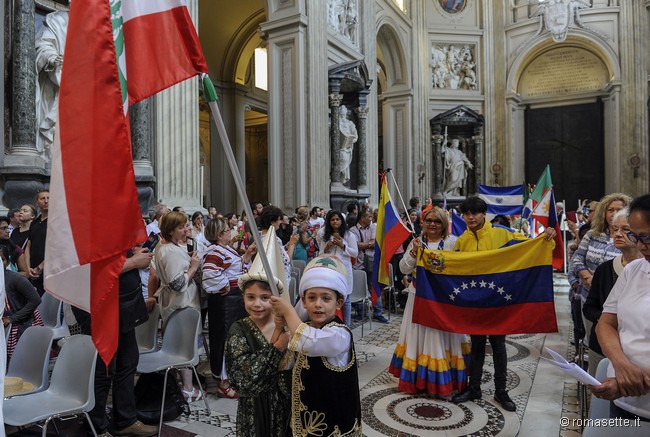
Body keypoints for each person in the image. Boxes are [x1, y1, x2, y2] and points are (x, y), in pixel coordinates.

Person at [451, 196, 556, 412]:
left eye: (475, 213)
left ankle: (501, 391)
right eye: (466, 214)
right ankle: (474, 388)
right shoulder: (462, 240)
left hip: (498, 301)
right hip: (475, 302)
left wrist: (546, 238)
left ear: (484, 214)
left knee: (498, 346)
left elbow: (530, 246)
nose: (471, 217)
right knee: (477, 346)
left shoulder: (503, 233)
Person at [270, 255, 362, 436]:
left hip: (332, 425)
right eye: (311, 298)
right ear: (304, 301)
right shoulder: (305, 328)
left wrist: (288, 311)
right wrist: (280, 326)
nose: (318, 304)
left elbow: (310, 342)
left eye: (326, 298)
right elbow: (279, 355)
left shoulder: (340, 335)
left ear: (339, 303)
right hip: (303, 421)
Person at [72, 247, 158, 437]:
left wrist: (130, 253)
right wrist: (133, 262)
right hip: (100, 307)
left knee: (127, 362)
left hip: (121, 303)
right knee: (103, 369)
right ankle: (96, 427)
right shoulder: (87, 233)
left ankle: (125, 420)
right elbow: (94, 270)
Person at [390, 206, 469, 396]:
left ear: (444, 224)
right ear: (423, 223)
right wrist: (413, 254)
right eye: (429, 221)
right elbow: (403, 269)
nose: (432, 224)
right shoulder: (416, 242)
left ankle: (442, 381)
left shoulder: (452, 242)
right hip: (418, 297)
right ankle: (418, 380)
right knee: (418, 338)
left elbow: (461, 268)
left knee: (441, 338)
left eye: (437, 221)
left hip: (443, 300)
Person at [590, 193, 650, 421]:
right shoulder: (634, 270)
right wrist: (621, 364)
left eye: (646, 238)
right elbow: (606, 324)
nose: (641, 246)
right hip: (623, 402)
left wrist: (629, 382)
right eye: (636, 236)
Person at [224, 263, 292, 436]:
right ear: (243, 297)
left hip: (284, 406)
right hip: (255, 409)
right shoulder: (239, 330)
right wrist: (277, 347)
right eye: (251, 297)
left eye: (265, 297)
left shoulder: (287, 328)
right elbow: (243, 378)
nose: (257, 304)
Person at [202, 217, 257, 399]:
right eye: (227, 230)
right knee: (225, 338)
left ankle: (230, 377)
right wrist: (224, 285)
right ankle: (223, 382)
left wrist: (247, 255)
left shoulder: (225, 249)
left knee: (232, 337)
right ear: (219, 235)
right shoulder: (214, 250)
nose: (230, 232)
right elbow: (210, 272)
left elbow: (235, 267)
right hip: (225, 302)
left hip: (233, 300)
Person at [569, 193, 631, 352]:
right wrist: (588, 278)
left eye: (619, 209)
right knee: (593, 339)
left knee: (616, 342)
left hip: (617, 297)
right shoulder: (592, 234)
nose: (614, 213)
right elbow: (577, 259)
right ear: (604, 212)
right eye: (610, 209)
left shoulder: (631, 239)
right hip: (590, 295)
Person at [583, 208, 642, 377]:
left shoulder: (644, 270)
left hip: (637, 349)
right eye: (615, 229)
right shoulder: (604, 269)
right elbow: (589, 307)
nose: (618, 234)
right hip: (601, 346)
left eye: (625, 229)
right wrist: (607, 320)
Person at [152, 211, 202, 401]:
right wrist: (193, 267)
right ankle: (188, 389)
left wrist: (186, 259)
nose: (186, 230)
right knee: (184, 346)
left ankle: (180, 385)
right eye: (181, 227)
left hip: (174, 301)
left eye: (186, 225)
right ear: (170, 231)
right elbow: (177, 284)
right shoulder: (171, 251)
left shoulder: (165, 246)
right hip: (181, 302)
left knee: (179, 343)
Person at [35, 9, 68, 159]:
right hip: (58, 87)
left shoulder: (98, 28)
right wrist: (52, 58)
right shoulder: (58, 20)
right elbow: (42, 46)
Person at [316, 210, 358, 325]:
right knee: (330, 295)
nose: (335, 222)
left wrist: (342, 246)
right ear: (329, 222)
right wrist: (327, 247)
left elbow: (355, 253)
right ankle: (331, 323)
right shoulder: (325, 235)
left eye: (337, 219)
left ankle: (347, 325)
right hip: (330, 269)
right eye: (332, 220)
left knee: (346, 299)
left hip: (344, 269)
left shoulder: (349, 235)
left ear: (341, 221)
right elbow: (320, 254)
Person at [1, 245, 42, 360]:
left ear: (7, 262)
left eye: (1, 260)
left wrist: (12, 318)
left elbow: (36, 299)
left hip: (20, 323)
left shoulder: (15, 278)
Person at [349, 209, 387, 323]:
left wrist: (366, 244)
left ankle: (378, 312)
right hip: (359, 262)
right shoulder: (353, 230)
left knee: (373, 285)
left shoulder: (373, 227)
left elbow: (375, 242)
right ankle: (362, 312)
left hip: (371, 260)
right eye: (368, 217)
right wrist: (369, 243)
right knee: (359, 286)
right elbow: (356, 246)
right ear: (362, 218)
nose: (371, 219)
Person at [24, 190, 49, 296]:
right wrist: (28, 268)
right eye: (42, 198)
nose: (46, 201)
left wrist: (40, 267)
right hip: (33, 272)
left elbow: (57, 249)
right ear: (37, 202)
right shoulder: (34, 222)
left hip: (48, 271)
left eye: (48, 198)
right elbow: (28, 246)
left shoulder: (54, 221)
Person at [338, 106, 358, 184]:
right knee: (341, 158)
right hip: (337, 147)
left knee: (345, 159)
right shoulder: (335, 122)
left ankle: (340, 177)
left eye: (343, 114)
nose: (342, 116)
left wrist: (353, 139)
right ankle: (335, 178)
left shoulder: (350, 123)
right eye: (341, 114)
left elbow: (355, 135)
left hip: (347, 147)